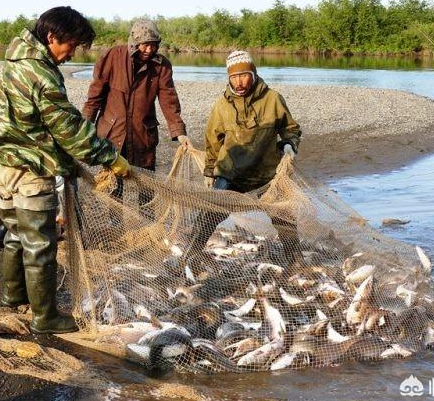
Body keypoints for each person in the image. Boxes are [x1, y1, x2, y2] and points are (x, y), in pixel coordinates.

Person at [0, 6, 130, 334]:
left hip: (2, 162)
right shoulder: (41, 72)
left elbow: (37, 121)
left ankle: (13, 295)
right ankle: (45, 318)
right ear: (51, 37)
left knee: (16, 231)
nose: (72, 52)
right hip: (29, 166)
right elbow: (69, 128)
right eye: (71, 45)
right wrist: (111, 158)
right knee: (40, 243)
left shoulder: (15, 60)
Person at [184, 50, 302, 268]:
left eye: (244, 75)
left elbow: (291, 129)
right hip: (231, 172)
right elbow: (212, 141)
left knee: (284, 216)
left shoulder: (273, 99)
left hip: (266, 173)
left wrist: (289, 145)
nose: (239, 81)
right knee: (210, 213)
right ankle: (188, 257)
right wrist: (210, 172)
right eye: (234, 77)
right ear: (229, 78)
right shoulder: (222, 105)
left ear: (253, 73)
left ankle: (296, 260)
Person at [82, 20, 189, 208]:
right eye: (145, 45)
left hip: (143, 136)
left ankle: (147, 227)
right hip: (113, 135)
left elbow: (168, 99)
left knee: (146, 188)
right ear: (134, 43)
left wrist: (179, 131)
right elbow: (95, 96)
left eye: (154, 45)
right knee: (114, 186)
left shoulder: (162, 66)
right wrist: (84, 126)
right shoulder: (113, 56)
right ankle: (115, 226)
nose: (149, 50)